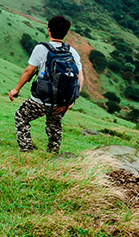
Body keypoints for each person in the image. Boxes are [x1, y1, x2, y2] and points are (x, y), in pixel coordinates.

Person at [7, 15, 83, 154]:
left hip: (40, 100)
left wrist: (16, 89)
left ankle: (26, 151)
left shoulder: (41, 48)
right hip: (61, 103)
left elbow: (29, 71)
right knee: (54, 127)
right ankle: (53, 154)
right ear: (66, 33)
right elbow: (80, 78)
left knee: (21, 117)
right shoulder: (72, 52)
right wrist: (71, 100)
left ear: (49, 30)